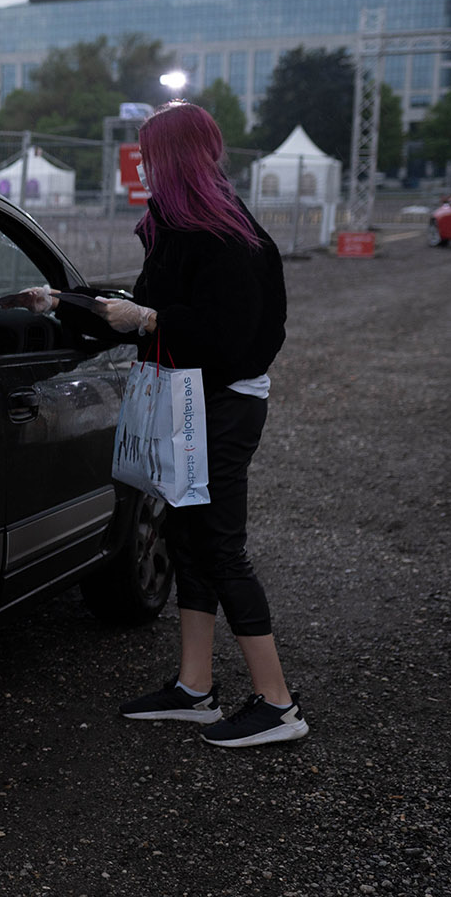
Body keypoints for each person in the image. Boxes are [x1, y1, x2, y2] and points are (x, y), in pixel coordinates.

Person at [96, 102, 306, 747]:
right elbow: (161, 306)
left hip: (225, 402)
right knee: (186, 538)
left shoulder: (225, 234)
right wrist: (73, 307)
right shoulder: (177, 223)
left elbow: (233, 337)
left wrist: (151, 320)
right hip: (192, 398)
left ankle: (278, 704)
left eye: (148, 155)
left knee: (219, 545)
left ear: (174, 158)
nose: (141, 166)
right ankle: (195, 688)